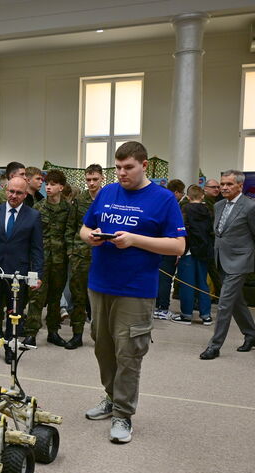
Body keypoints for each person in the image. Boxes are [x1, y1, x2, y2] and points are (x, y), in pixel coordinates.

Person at [80, 141, 186, 444]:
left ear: (144, 166)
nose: (122, 173)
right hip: (100, 283)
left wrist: (135, 240)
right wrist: (93, 238)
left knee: (129, 352)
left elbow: (178, 246)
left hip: (136, 289)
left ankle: (123, 415)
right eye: (118, 168)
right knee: (102, 346)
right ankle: (111, 398)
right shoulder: (107, 192)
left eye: (128, 168)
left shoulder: (163, 199)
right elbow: (85, 229)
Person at [200, 170, 255, 360]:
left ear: (240, 185)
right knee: (237, 302)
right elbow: (220, 232)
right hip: (221, 259)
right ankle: (251, 335)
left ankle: (214, 346)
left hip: (240, 261)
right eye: (222, 184)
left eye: (229, 184)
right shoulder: (219, 205)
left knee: (224, 303)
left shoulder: (251, 207)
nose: (224, 187)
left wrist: (250, 259)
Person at [0, 176, 43, 363]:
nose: (14, 196)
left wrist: (36, 276)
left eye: (19, 193)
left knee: (14, 314)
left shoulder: (33, 216)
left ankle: (9, 348)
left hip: (17, 274)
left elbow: (37, 250)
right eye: (11, 191)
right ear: (6, 191)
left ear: (25, 194)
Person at [23, 169, 71, 347]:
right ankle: (30, 333)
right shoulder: (38, 207)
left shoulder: (68, 209)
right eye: (47, 184)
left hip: (60, 261)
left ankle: (53, 331)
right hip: (39, 260)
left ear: (61, 187)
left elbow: (71, 233)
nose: (48, 187)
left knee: (55, 297)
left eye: (52, 184)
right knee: (36, 296)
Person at [64, 164, 103, 349]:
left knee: (102, 299)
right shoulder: (79, 200)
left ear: (102, 178)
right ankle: (77, 334)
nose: (92, 183)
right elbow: (71, 227)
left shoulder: (109, 198)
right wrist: (71, 252)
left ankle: (101, 336)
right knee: (78, 296)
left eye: (95, 179)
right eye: (88, 180)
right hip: (80, 255)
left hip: (103, 255)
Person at [170, 185, 214, 326]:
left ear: (188, 197)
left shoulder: (185, 209)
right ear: (202, 196)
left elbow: (181, 230)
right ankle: (206, 316)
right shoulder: (209, 210)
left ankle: (186, 315)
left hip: (188, 251)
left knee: (187, 284)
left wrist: (179, 251)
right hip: (204, 251)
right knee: (203, 283)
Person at [153, 178, 187, 319]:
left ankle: (159, 306)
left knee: (163, 278)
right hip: (169, 247)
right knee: (165, 279)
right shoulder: (175, 205)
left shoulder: (168, 204)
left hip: (165, 245)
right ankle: (163, 308)